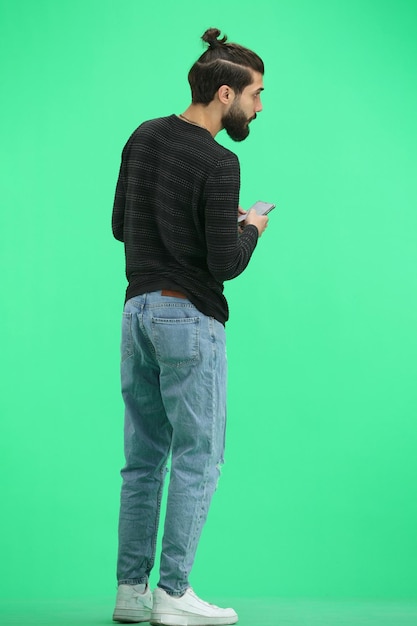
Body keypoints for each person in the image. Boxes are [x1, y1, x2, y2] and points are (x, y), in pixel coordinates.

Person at [111, 27, 268, 626]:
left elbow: (124, 224)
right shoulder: (221, 159)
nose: (259, 106)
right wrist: (250, 226)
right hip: (188, 316)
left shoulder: (142, 136)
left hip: (137, 313)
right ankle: (174, 593)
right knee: (199, 457)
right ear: (224, 93)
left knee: (143, 458)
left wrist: (204, 218)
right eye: (256, 94)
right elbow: (224, 264)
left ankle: (132, 592)